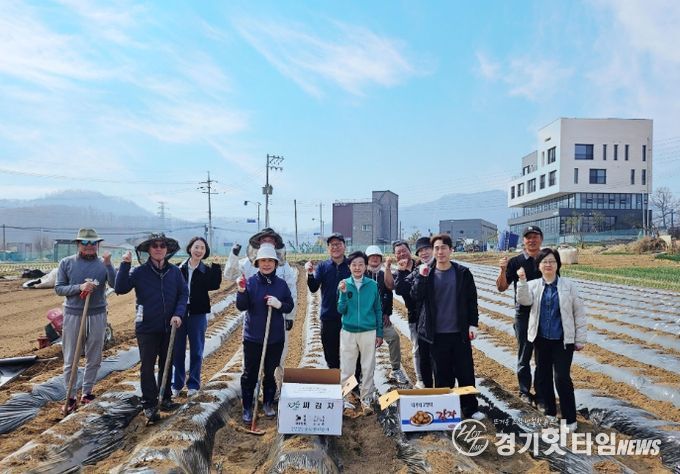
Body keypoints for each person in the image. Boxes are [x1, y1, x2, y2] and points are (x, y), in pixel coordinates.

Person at [115, 233, 187, 423]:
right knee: (147, 366)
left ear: (167, 250)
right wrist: (125, 265)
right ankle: (149, 403)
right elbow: (120, 288)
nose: (158, 249)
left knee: (167, 362)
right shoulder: (139, 272)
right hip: (147, 326)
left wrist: (178, 314)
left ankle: (165, 398)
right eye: (154, 246)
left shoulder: (175, 272)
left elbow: (183, 294)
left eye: (162, 245)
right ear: (148, 250)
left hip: (170, 326)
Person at [411, 234, 484, 420]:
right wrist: (421, 277)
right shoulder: (426, 273)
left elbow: (471, 301)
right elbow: (416, 296)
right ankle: (445, 410)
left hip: (459, 333)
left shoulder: (462, 273)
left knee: (465, 372)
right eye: (436, 248)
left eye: (443, 248)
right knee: (442, 375)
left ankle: (470, 408)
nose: (440, 252)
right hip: (437, 334)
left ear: (451, 250)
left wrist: (473, 324)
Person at [516, 248, 586, 432]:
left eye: (552, 261)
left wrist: (580, 338)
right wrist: (522, 281)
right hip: (541, 340)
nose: (548, 265)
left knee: (562, 378)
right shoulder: (533, 285)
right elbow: (524, 301)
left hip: (563, 340)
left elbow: (578, 312)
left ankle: (570, 418)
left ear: (557, 265)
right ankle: (550, 412)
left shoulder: (568, 286)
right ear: (539, 266)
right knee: (543, 376)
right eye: (544, 262)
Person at [55, 228, 116, 413]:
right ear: (78, 244)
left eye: (93, 242)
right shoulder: (66, 263)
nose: (89, 246)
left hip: (97, 314)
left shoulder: (103, 264)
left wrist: (109, 265)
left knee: (94, 356)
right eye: (84, 242)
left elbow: (115, 284)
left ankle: (87, 392)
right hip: (74, 314)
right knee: (71, 357)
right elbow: (59, 288)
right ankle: (71, 396)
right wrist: (79, 287)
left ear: (98, 244)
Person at [224, 228, 296, 372]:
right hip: (254, 320)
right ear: (258, 243)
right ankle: (252, 382)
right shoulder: (248, 263)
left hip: (276, 319)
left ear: (276, 244)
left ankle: (275, 383)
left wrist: (290, 316)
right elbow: (230, 275)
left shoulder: (284, 267)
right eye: (264, 240)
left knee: (276, 360)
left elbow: (291, 292)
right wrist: (233, 256)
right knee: (250, 362)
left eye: (271, 240)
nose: (267, 242)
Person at [236, 245, 294, 423]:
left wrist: (279, 304)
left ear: (275, 263)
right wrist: (241, 291)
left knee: (270, 372)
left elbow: (289, 305)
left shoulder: (281, 285)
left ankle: (268, 403)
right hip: (253, 337)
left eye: (270, 261)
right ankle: (247, 406)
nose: (267, 264)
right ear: (257, 263)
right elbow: (242, 306)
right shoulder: (251, 283)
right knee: (250, 373)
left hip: (275, 338)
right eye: (263, 261)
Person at [496, 225, 544, 405]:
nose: (532, 240)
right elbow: (501, 287)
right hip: (523, 314)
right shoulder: (516, 262)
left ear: (541, 239)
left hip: (544, 314)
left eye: (535, 236)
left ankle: (541, 394)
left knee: (542, 356)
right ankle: (524, 391)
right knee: (524, 354)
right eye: (528, 237)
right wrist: (502, 270)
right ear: (523, 241)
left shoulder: (547, 260)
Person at [172, 237, 222, 398]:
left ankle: (193, 384)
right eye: (196, 247)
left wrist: (216, 266)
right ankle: (177, 384)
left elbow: (214, 284)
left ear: (205, 252)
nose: (199, 250)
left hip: (198, 313)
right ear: (190, 248)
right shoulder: (178, 268)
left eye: (202, 248)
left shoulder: (206, 270)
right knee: (177, 351)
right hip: (180, 313)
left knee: (197, 350)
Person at [338, 251, 383, 415]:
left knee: (368, 366)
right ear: (349, 267)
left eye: (360, 264)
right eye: (354, 265)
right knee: (347, 368)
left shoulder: (372, 285)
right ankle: (345, 398)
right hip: (348, 331)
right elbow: (341, 309)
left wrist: (379, 332)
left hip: (368, 331)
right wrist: (343, 294)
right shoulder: (344, 284)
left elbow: (378, 309)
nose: (357, 267)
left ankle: (366, 399)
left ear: (365, 266)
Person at [390, 238, 433, 388]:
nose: (402, 254)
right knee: (417, 348)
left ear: (410, 251)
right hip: (414, 315)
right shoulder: (398, 273)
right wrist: (401, 271)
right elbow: (400, 290)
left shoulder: (421, 264)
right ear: (395, 255)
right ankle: (421, 379)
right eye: (398, 252)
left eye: (404, 251)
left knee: (435, 348)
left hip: (431, 313)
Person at [306, 232, 350, 369]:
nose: (335, 247)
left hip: (350, 316)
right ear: (328, 248)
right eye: (332, 245)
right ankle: (335, 380)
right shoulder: (323, 266)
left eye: (338, 244)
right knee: (331, 354)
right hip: (329, 316)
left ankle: (352, 382)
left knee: (351, 353)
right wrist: (310, 274)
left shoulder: (352, 265)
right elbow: (313, 288)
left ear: (344, 246)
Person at [365, 245, 406, 384]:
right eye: (372, 257)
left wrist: (387, 313)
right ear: (367, 259)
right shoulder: (362, 276)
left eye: (377, 257)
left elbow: (389, 293)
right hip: (366, 320)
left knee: (394, 337)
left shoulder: (384, 275)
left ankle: (396, 369)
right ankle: (365, 374)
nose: (375, 259)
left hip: (382, 319)